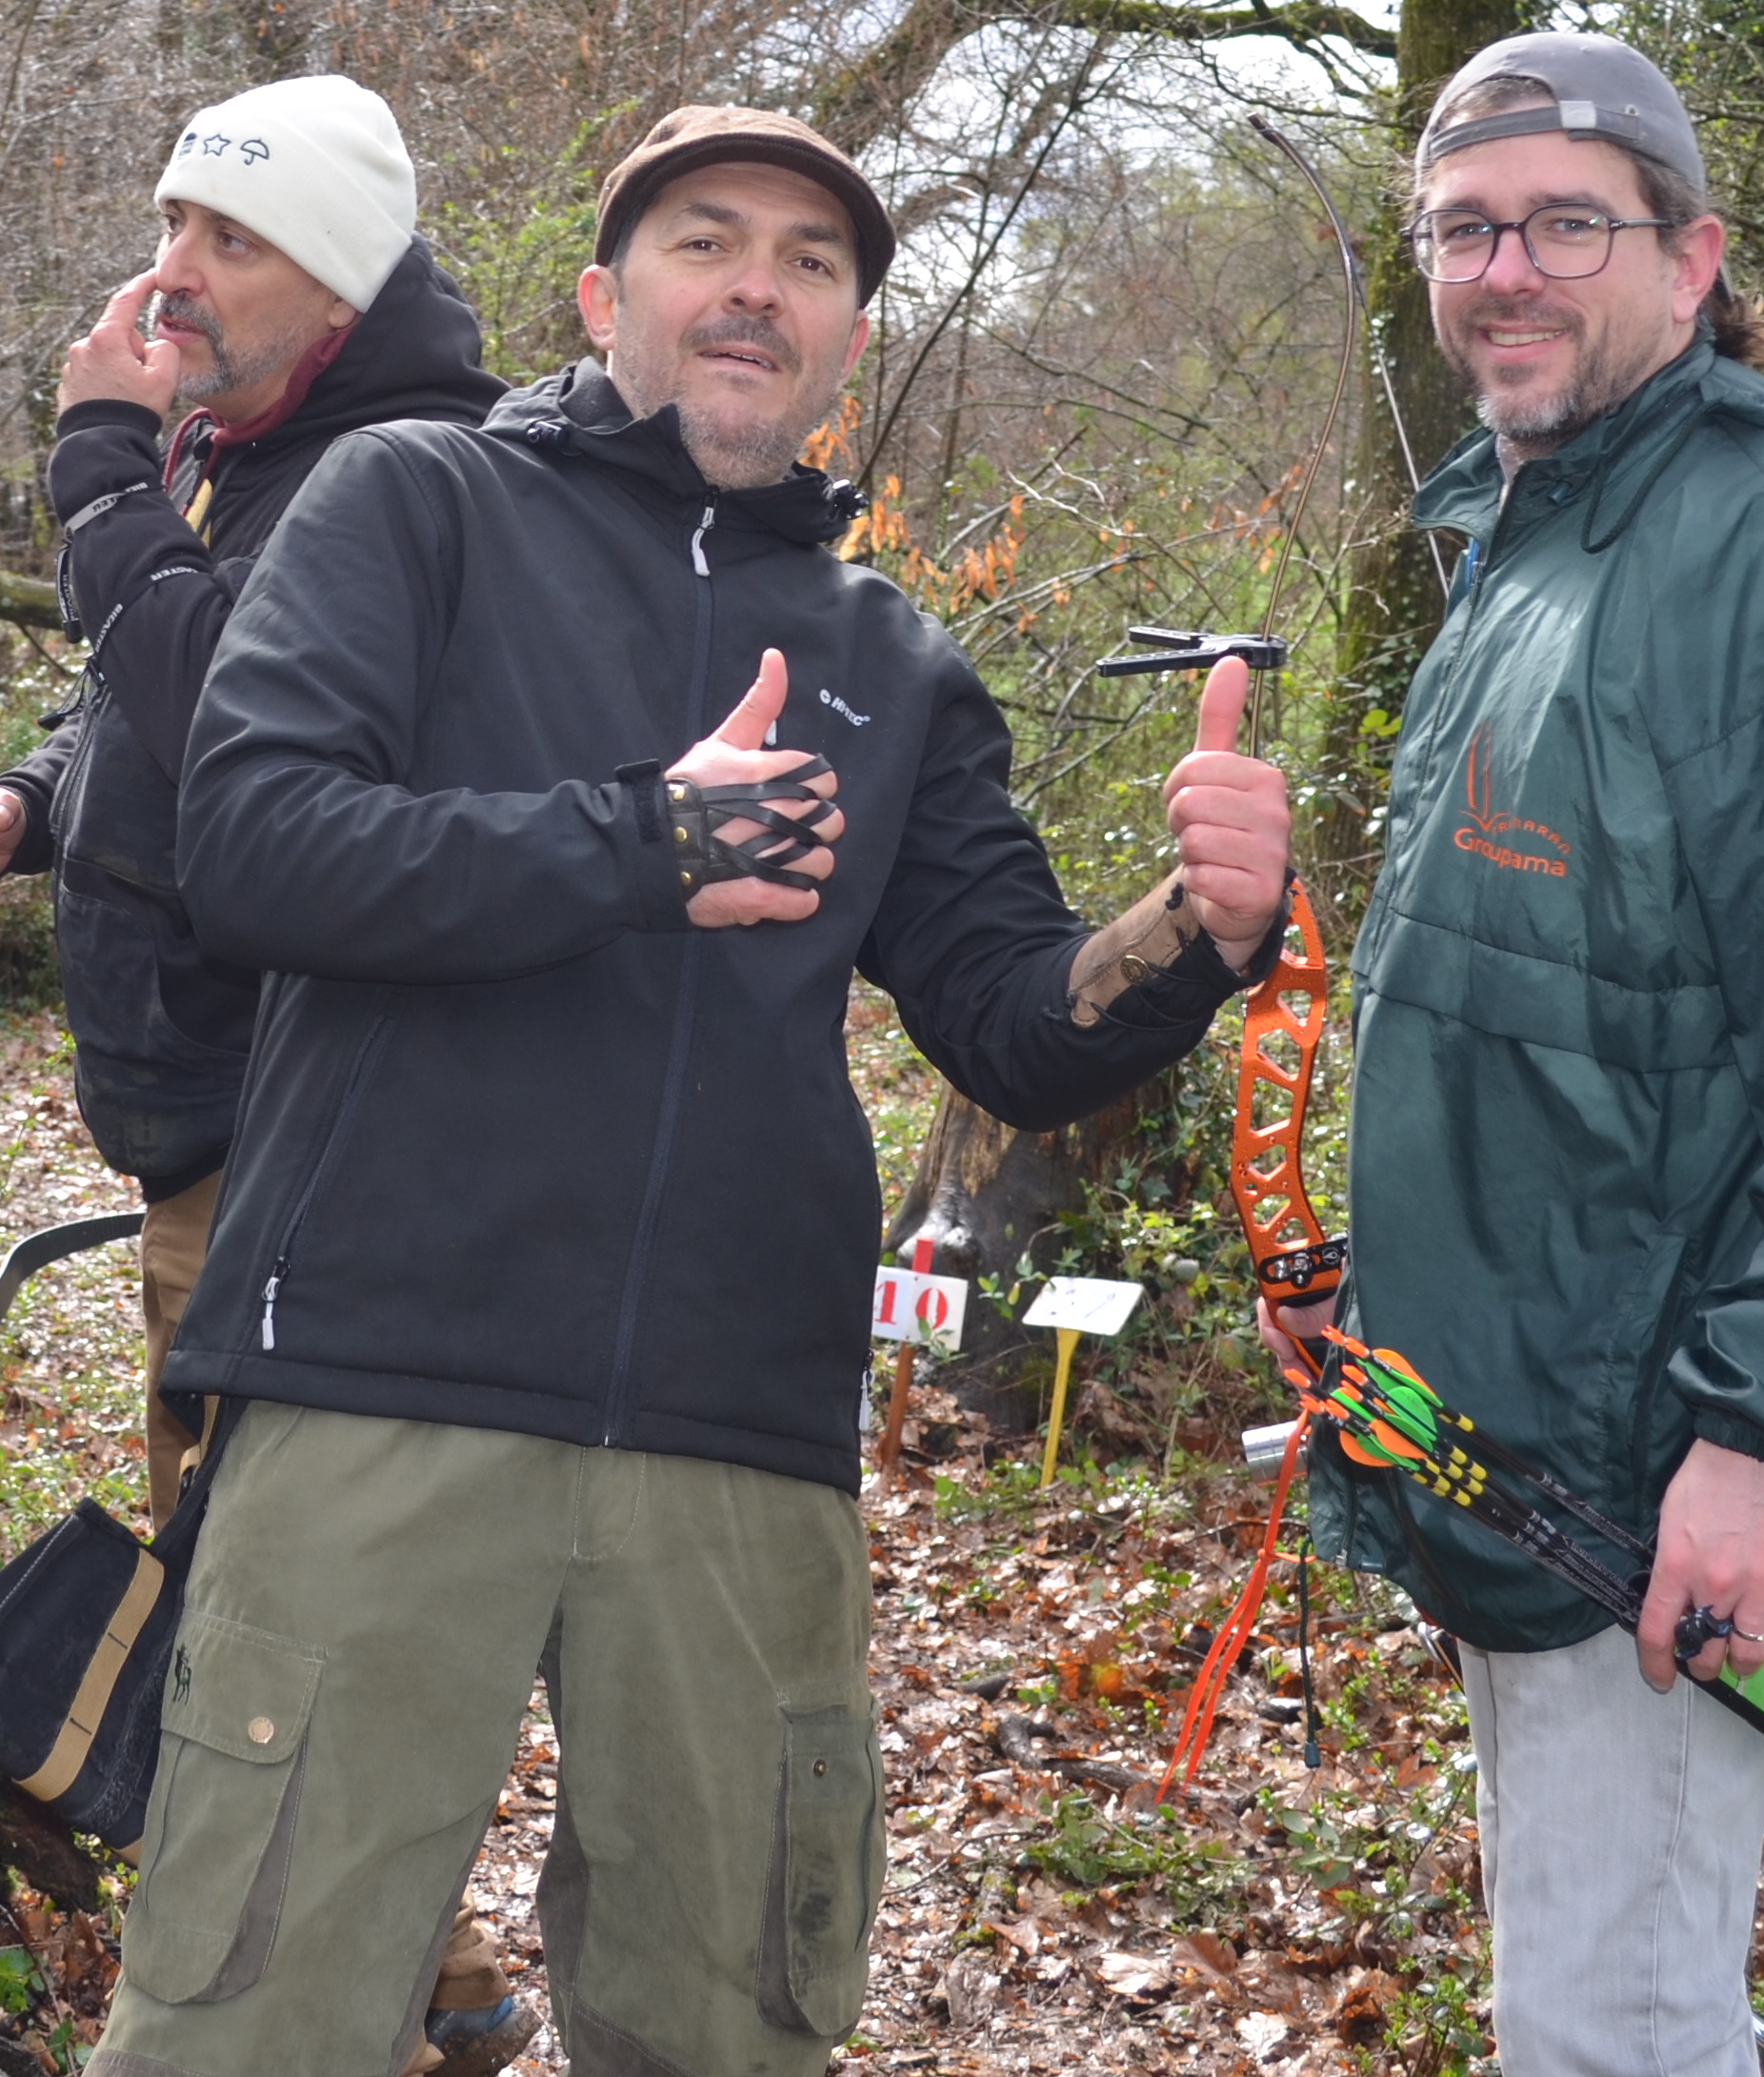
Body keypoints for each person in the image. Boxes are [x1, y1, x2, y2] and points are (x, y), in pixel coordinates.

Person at [92, 105, 1298, 2077]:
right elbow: (259, 844)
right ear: (602, 295)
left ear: (842, 343)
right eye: (704, 241)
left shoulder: (889, 658)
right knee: (254, 2020)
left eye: (810, 264)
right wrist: (634, 841)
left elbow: (1010, 1016)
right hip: (385, 1381)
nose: (757, 285)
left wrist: (1194, 926)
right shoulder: (417, 503)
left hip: (738, 1440)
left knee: (725, 2024)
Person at [1273, 32, 1764, 2077]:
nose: (1505, 270)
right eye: (1464, 228)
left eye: (1565, 223)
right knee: (1623, 2008)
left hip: (1664, 1468)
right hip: (1514, 1425)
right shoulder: (1538, 530)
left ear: (1693, 255)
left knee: (1608, 2036)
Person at [0, 73, 525, 2077]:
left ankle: (306, 2005)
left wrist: (94, 472)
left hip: (308, 1136)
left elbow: (243, 706)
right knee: (260, 1579)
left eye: (224, 241)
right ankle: (428, 1987)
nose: (169, 278)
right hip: (214, 1129)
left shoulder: (411, 469)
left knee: (263, 1604)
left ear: (329, 281)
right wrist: (31, 803)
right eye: (169, 227)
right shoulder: (266, 452)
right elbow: (166, 717)